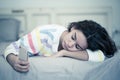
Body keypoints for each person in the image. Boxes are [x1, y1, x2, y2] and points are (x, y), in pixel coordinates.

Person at [4, 20, 117, 72]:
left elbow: (100, 56)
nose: (70, 44)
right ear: (73, 27)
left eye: (77, 47)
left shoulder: (78, 44)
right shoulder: (43, 36)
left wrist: (64, 53)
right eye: (73, 37)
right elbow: (10, 48)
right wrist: (13, 60)